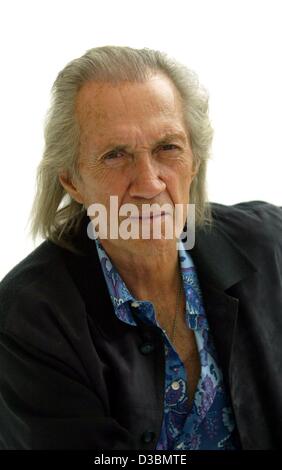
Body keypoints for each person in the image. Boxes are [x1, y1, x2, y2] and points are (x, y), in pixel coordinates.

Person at [0, 46, 281, 451]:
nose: (149, 185)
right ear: (72, 181)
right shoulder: (31, 318)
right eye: (115, 156)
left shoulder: (270, 244)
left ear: (194, 160)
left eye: (168, 147)